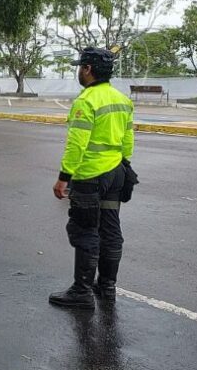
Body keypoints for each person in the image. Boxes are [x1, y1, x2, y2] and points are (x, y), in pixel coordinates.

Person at [49, 47, 135, 309]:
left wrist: (64, 177)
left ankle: (82, 291)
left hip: (90, 177)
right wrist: (124, 165)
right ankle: (107, 286)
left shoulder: (86, 101)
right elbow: (128, 139)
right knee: (110, 230)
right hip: (116, 173)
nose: (78, 70)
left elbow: (77, 144)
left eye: (80, 66)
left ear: (87, 69)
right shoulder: (122, 99)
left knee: (85, 230)